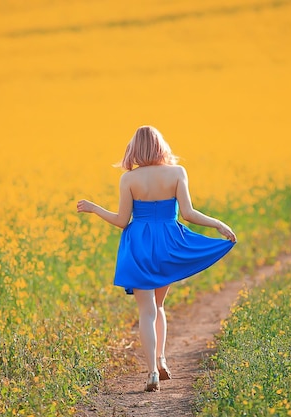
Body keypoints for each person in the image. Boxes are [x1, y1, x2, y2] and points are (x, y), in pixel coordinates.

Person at [76, 125, 236, 392]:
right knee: (160, 306)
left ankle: (152, 371)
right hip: (168, 244)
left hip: (139, 245)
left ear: (134, 149)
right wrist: (218, 224)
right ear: (161, 146)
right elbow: (188, 214)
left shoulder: (128, 179)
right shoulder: (176, 173)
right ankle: (161, 359)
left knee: (146, 311)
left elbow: (120, 221)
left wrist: (94, 208)